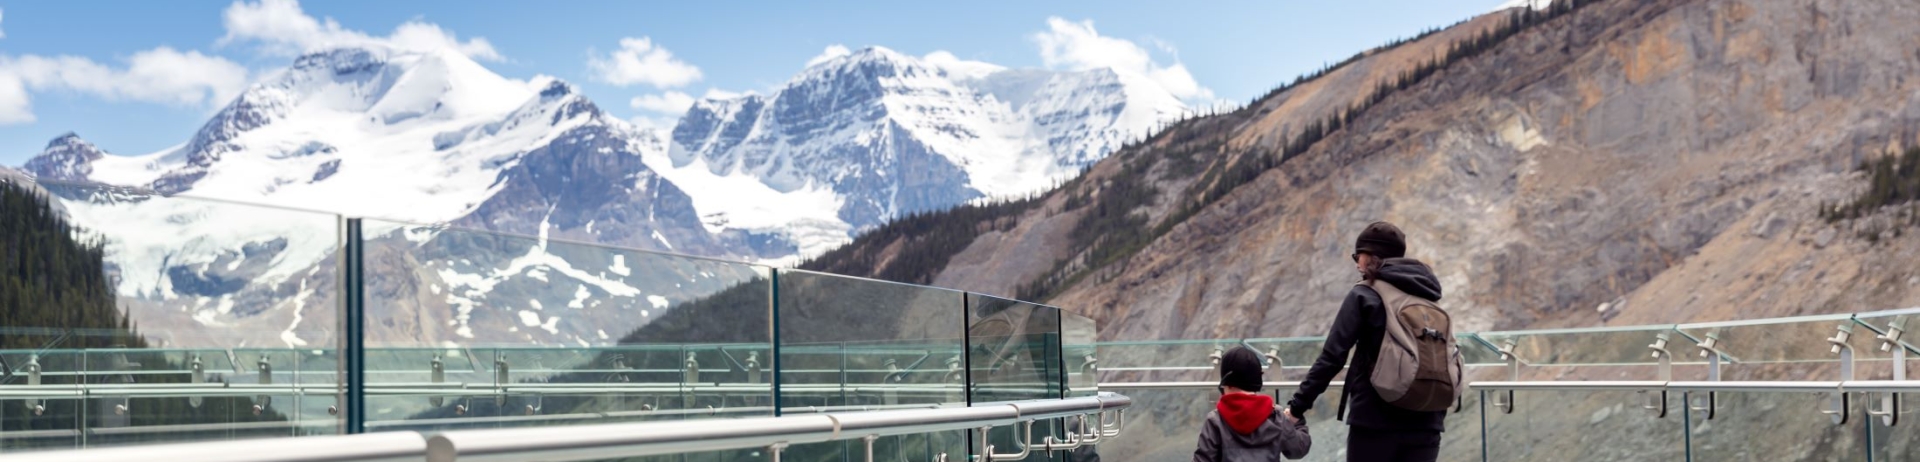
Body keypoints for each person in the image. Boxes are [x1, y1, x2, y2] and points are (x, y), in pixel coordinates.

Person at [1286, 222, 1447, 462]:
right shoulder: (1426, 294)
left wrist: (1297, 408)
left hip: (1375, 421)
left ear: (1370, 256)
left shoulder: (1365, 294)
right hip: (1428, 420)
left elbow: (1333, 357)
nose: (1356, 262)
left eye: (1357, 255)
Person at [1193, 346, 1311, 462]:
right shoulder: (1277, 416)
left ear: (1227, 384)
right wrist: (1297, 422)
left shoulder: (1215, 420)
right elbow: (1299, 449)